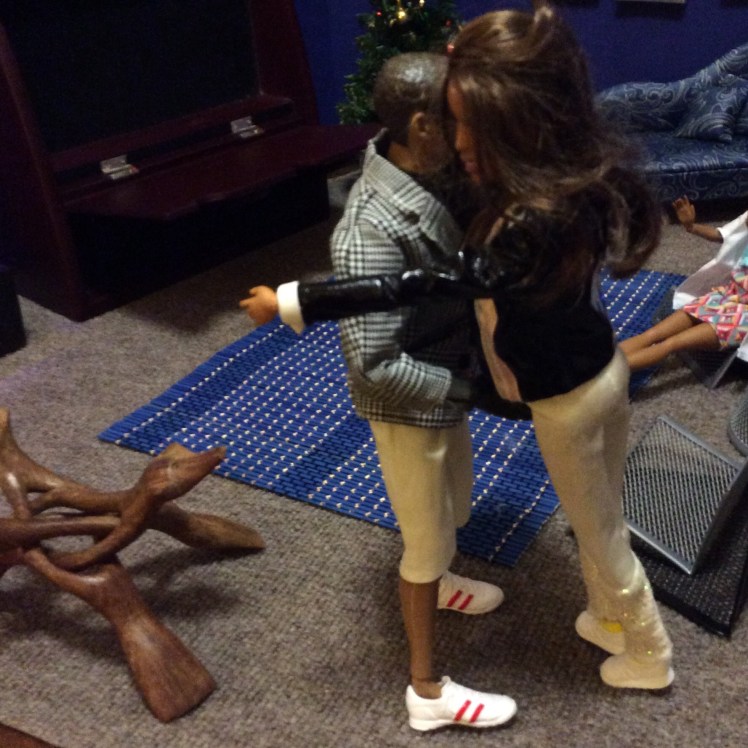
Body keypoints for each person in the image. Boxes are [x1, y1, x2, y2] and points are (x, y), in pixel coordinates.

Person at [249, 4, 675, 692]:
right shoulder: (576, 179)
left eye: (469, 124)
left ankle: (649, 654)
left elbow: (417, 282)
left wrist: (299, 299)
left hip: (564, 400)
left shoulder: (522, 225)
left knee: (600, 533)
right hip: (604, 367)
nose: (459, 141)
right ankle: (607, 618)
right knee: (602, 513)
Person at [243, 52, 518, 732]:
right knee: (422, 541)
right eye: (457, 119)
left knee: (453, 501)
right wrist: (465, 391)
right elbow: (374, 365)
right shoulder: (369, 228)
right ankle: (426, 691)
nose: (469, 133)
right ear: (422, 126)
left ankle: (443, 576)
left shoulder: (434, 169)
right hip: (411, 402)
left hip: (445, 376)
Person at [620, 195, 748, 371]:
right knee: (652, 334)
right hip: (727, 295)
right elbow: (722, 234)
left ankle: (603, 378)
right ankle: (595, 369)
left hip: (743, 317)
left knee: (671, 344)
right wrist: (691, 226)